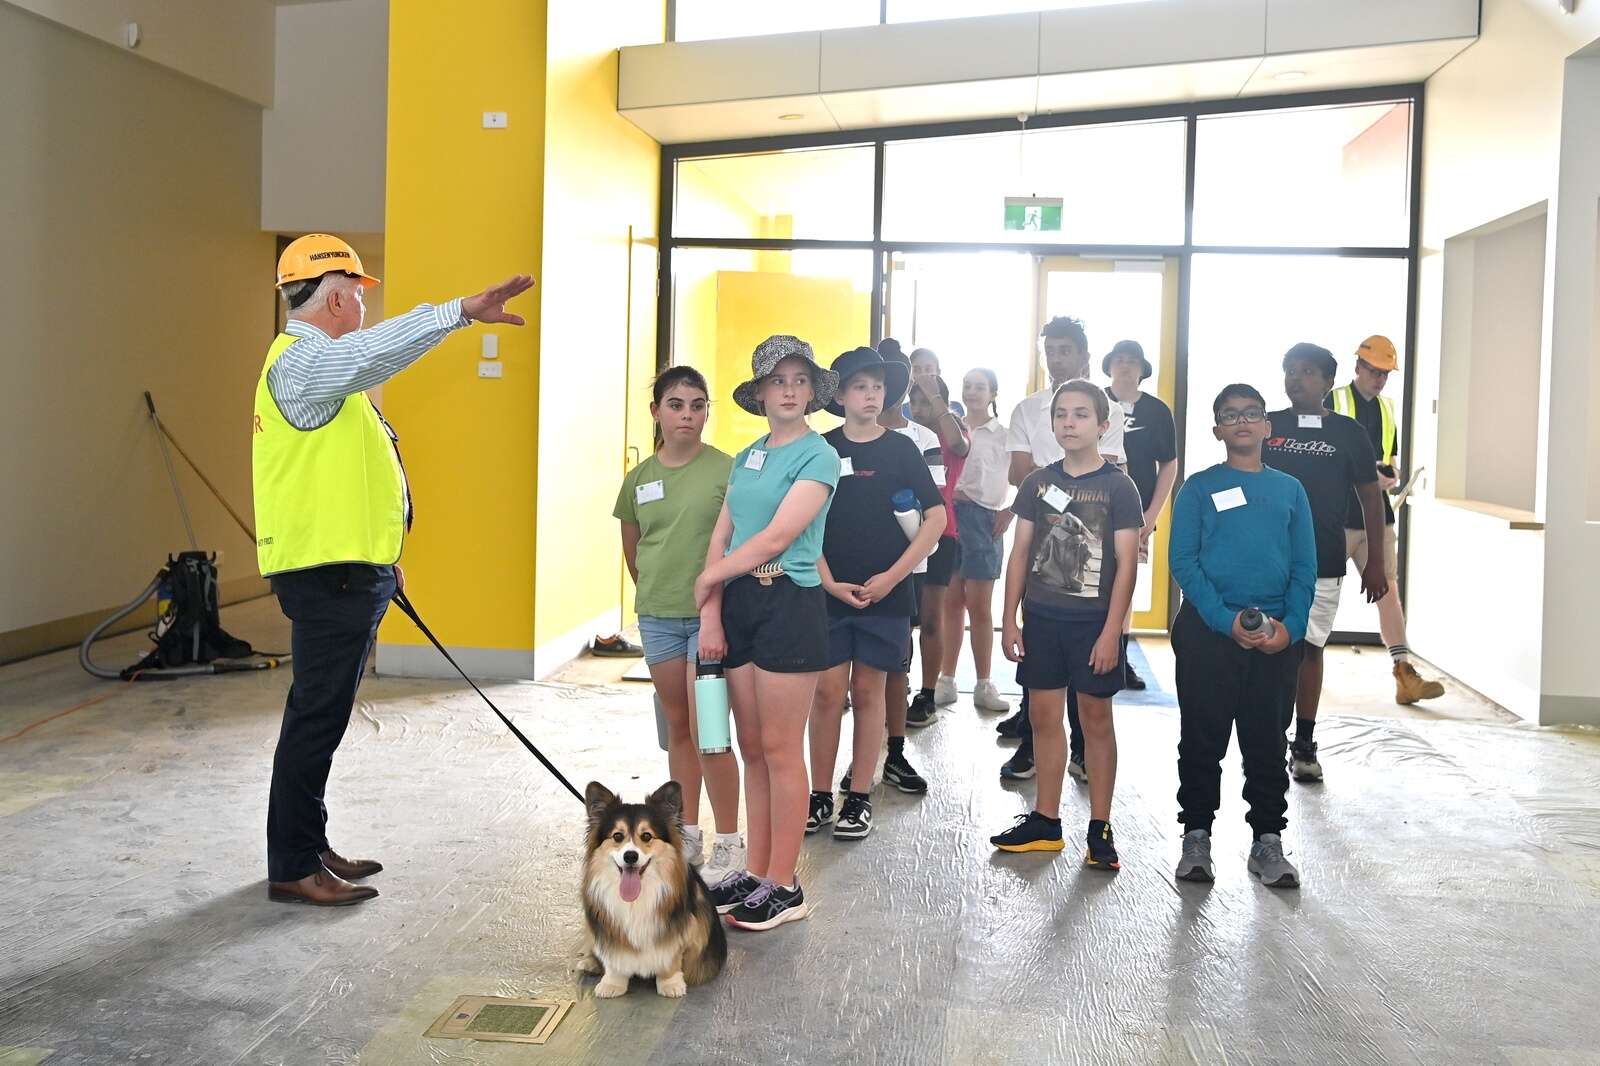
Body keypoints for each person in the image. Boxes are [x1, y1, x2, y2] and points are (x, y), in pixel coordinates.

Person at [255, 233, 533, 906]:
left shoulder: (326, 373)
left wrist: (383, 556)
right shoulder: (301, 366)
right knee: (316, 718)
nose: (363, 308)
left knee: (322, 715)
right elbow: (370, 352)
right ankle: (293, 864)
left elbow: (355, 472)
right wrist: (457, 313)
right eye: (358, 295)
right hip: (326, 576)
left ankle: (308, 844)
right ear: (339, 295)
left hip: (349, 569)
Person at [695, 336, 840, 932]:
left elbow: (778, 538)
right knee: (751, 747)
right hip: (738, 604)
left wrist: (709, 578)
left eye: (799, 380)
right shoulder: (747, 456)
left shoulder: (819, 456)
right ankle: (756, 871)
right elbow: (724, 532)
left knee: (782, 750)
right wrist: (710, 608)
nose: (788, 389)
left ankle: (785, 882)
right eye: (777, 380)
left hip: (789, 601)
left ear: (811, 391)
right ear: (759, 392)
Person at [1169, 384, 1315, 889]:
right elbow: (1182, 562)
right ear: (1217, 430)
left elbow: (1304, 568)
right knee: (1202, 740)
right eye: (1231, 416)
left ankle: (1268, 841)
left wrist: (1290, 630)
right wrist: (1222, 619)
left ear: (1267, 426)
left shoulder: (1290, 490)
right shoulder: (1198, 488)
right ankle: (1196, 837)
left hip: (1275, 637)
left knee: (1267, 743)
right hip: (1208, 634)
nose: (1242, 422)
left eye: (1252, 414)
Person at [989, 381, 1140, 868]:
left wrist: (1112, 631)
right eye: (1061, 415)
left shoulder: (1119, 487)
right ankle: (1046, 821)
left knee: (1095, 721)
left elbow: (1126, 563)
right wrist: (1009, 619)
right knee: (1043, 718)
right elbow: (1020, 554)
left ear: (1103, 425)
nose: (1069, 423)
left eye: (1080, 415)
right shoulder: (1037, 484)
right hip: (1042, 621)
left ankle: (1100, 826)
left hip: (1093, 624)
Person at [808, 348, 945, 840]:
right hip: (827, 592)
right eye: (860, 387)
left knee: (867, 692)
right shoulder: (819, 449)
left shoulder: (903, 449)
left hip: (884, 592)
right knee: (826, 694)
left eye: (878, 387)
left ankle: (859, 797)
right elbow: (804, 524)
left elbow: (936, 518)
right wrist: (825, 580)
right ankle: (820, 794)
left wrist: (893, 577)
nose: (871, 395)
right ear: (840, 395)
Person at [613, 367, 743, 883]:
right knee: (680, 729)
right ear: (656, 413)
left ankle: (729, 842)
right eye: (676, 404)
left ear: (707, 412)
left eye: (696, 405)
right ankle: (687, 833)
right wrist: (656, 594)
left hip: (710, 621)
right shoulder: (639, 479)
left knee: (712, 732)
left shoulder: (729, 472)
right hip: (659, 618)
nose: (687, 414)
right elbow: (634, 547)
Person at [998, 316, 1127, 781]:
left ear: (1085, 356)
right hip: (1039, 560)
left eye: (1066, 349)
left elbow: (1107, 470)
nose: (1057, 357)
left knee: (1088, 681)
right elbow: (1019, 473)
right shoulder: (1027, 408)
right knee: (1041, 678)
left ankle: (1082, 756)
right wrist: (1055, 480)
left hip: (1090, 558)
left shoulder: (1103, 405)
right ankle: (1032, 750)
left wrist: (1062, 479)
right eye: (1050, 349)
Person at [1263, 343, 1388, 784]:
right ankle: (1268, 743)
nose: (1296, 378)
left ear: (1328, 381)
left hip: (1324, 560)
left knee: (1309, 650)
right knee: (1267, 650)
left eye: (1308, 371)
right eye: (1289, 369)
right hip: (1267, 563)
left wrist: (1374, 562)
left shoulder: (1350, 433)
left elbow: (1371, 498)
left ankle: (1304, 743)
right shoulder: (1268, 426)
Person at [1329, 335, 1446, 706]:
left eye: (1385, 373)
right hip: (1335, 517)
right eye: (1374, 371)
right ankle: (1298, 666)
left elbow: (1388, 459)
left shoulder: (1387, 409)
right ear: (1358, 367)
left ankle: (1404, 674)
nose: (1380, 379)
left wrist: (1389, 475)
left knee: (1389, 592)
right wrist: (1360, 475)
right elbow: (1321, 460)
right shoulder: (1332, 401)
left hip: (1376, 516)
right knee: (1318, 595)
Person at [874, 340, 945, 740]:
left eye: (895, 380)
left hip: (911, 556)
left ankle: (895, 736)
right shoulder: (839, 443)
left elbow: (933, 500)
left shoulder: (922, 438)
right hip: (856, 559)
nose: (883, 391)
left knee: (900, 642)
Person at [1102, 340, 1178, 691]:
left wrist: (1151, 513)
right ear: (1109, 365)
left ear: (1143, 369)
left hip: (1136, 515)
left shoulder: (1158, 412)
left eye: (1133, 361)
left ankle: (1119, 655)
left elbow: (1169, 465)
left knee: (1125, 581)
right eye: (1120, 360)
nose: (1126, 366)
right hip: (1090, 508)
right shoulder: (1093, 401)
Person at [937, 368, 1013, 713]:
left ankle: (984, 684)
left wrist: (1011, 511)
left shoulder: (1005, 435)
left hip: (986, 520)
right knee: (950, 604)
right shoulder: (953, 427)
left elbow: (1028, 475)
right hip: (951, 515)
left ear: (993, 393)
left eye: (979, 387)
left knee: (980, 607)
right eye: (966, 386)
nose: (972, 392)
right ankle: (946, 680)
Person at [907, 373, 970, 726]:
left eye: (927, 401)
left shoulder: (952, 434)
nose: (920, 409)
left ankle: (927, 694)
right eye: (915, 401)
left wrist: (937, 398)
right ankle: (895, 688)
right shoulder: (904, 436)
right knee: (902, 621)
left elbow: (959, 447)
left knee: (932, 619)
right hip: (900, 535)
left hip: (941, 536)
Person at [901, 346, 966, 419]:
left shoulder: (955, 407)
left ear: (938, 372)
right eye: (916, 370)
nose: (923, 375)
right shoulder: (902, 411)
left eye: (928, 369)